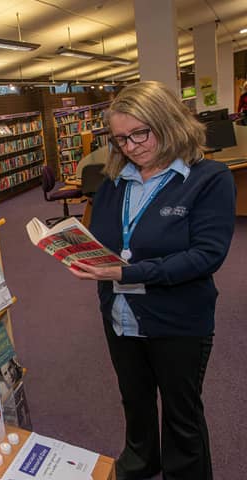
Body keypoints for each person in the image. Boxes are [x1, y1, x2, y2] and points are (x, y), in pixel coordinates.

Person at [69, 81, 235, 480]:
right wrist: (78, 252)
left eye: (140, 133)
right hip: (120, 313)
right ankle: (141, 461)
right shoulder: (111, 181)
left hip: (178, 318)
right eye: (121, 138)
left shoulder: (208, 178)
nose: (131, 146)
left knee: (182, 412)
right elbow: (106, 240)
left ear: (169, 122)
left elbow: (205, 256)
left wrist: (128, 273)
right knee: (135, 399)